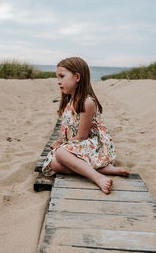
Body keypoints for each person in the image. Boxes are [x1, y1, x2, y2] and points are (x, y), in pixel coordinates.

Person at [42, 57, 129, 194]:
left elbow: (82, 136)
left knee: (61, 153)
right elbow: (66, 126)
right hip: (81, 145)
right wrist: (60, 141)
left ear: (77, 77)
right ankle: (101, 168)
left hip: (95, 146)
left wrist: (62, 147)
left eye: (62, 76)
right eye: (57, 77)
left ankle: (97, 176)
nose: (58, 82)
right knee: (54, 163)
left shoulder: (87, 102)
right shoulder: (69, 100)